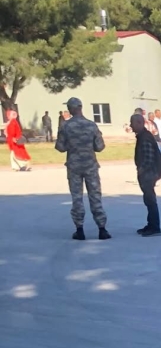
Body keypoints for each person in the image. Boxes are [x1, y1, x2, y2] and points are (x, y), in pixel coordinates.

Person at [54, 96, 110, 241]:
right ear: (81, 107)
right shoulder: (92, 125)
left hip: (74, 167)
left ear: (70, 109)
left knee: (77, 198)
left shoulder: (65, 126)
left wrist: (71, 144)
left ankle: (79, 230)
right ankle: (102, 229)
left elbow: (60, 147)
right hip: (90, 166)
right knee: (95, 196)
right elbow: (100, 147)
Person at [130, 113, 161, 236]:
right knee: (148, 199)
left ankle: (155, 227)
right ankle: (151, 224)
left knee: (150, 199)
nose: (131, 126)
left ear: (140, 123)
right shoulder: (142, 136)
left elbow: (149, 158)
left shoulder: (145, 138)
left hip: (150, 172)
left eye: (132, 123)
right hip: (150, 171)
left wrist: (141, 170)